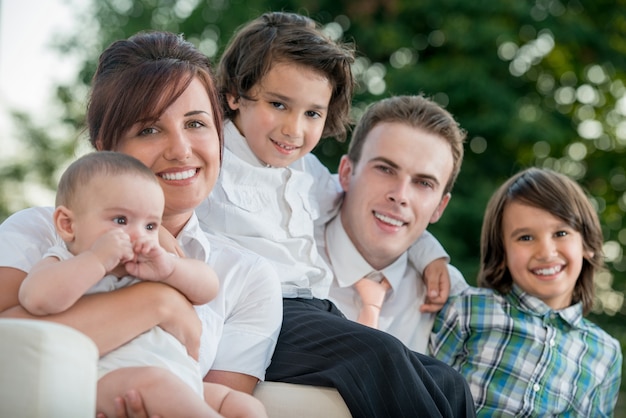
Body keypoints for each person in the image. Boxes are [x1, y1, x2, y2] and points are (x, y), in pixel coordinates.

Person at [196, 12, 476, 417]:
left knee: (449, 383)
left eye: (312, 114)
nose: (294, 129)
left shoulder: (307, 172)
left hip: (313, 309)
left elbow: (372, 202)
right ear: (236, 94)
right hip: (255, 311)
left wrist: (428, 253)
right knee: (378, 355)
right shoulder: (212, 154)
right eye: (279, 104)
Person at [0, 31, 282, 416]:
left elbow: (198, 393)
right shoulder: (44, 232)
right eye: (149, 129)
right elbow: (7, 349)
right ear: (106, 147)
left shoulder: (247, 277)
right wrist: (157, 303)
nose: (181, 149)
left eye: (196, 123)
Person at [19, 151, 264, 418]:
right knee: (157, 384)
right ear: (67, 224)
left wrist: (170, 268)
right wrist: (96, 260)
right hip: (102, 381)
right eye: (121, 221)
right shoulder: (64, 259)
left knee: (239, 404)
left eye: (150, 225)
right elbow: (37, 298)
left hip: (180, 380)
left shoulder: (153, 264)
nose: (138, 235)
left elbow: (208, 287)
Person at [430, 167, 623, 416]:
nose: (545, 252)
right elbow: (422, 392)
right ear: (502, 255)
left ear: (587, 244)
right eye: (525, 238)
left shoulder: (605, 353)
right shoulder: (469, 308)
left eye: (561, 233)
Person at [321, 95, 469, 354]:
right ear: (346, 173)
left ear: (439, 207)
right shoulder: (288, 251)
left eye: (423, 183)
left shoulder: (451, 296)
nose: (400, 195)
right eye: (385, 169)